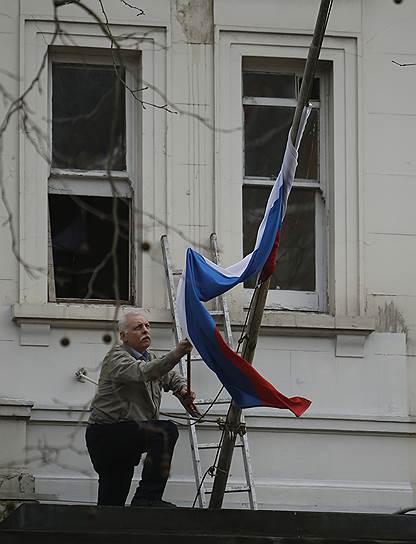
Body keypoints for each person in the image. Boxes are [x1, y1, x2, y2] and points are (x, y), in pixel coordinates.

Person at [85, 309, 197, 508]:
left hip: (124, 435)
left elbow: (168, 376)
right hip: (107, 434)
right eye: (138, 327)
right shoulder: (116, 358)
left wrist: (182, 389)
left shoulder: (149, 357)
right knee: (165, 431)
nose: (145, 330)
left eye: (147, 326)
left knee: (111, 504)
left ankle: (105, 531)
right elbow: (144, 372)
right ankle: (148, 498)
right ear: (123, 336)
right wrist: (177, 353)